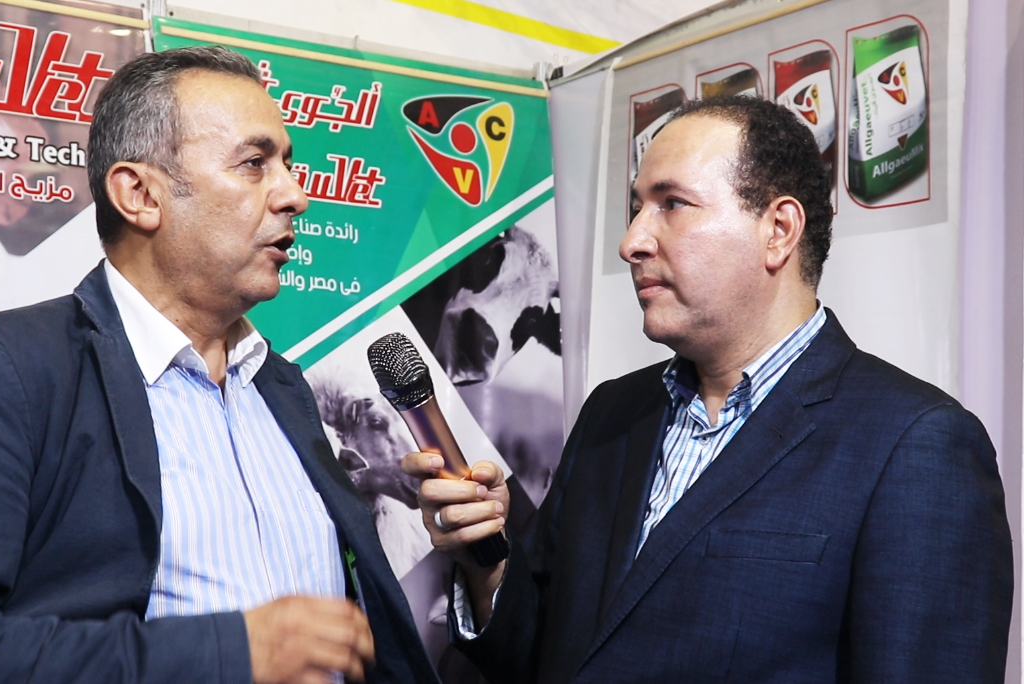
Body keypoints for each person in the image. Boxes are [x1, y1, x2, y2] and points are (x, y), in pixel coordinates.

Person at [403, 96, 1013, 684]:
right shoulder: (612, 414)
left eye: (672, 204)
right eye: (636, 208)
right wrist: (485, 563)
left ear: (778, 230)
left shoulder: (915, 445)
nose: (632, 241)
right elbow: (547, 656)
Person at [0, 46, 438, 684]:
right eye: (254, 164)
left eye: (288, 166)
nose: (296, 195)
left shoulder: (284, 387)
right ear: (140, 195)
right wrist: (228, 653)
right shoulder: (2, 367)